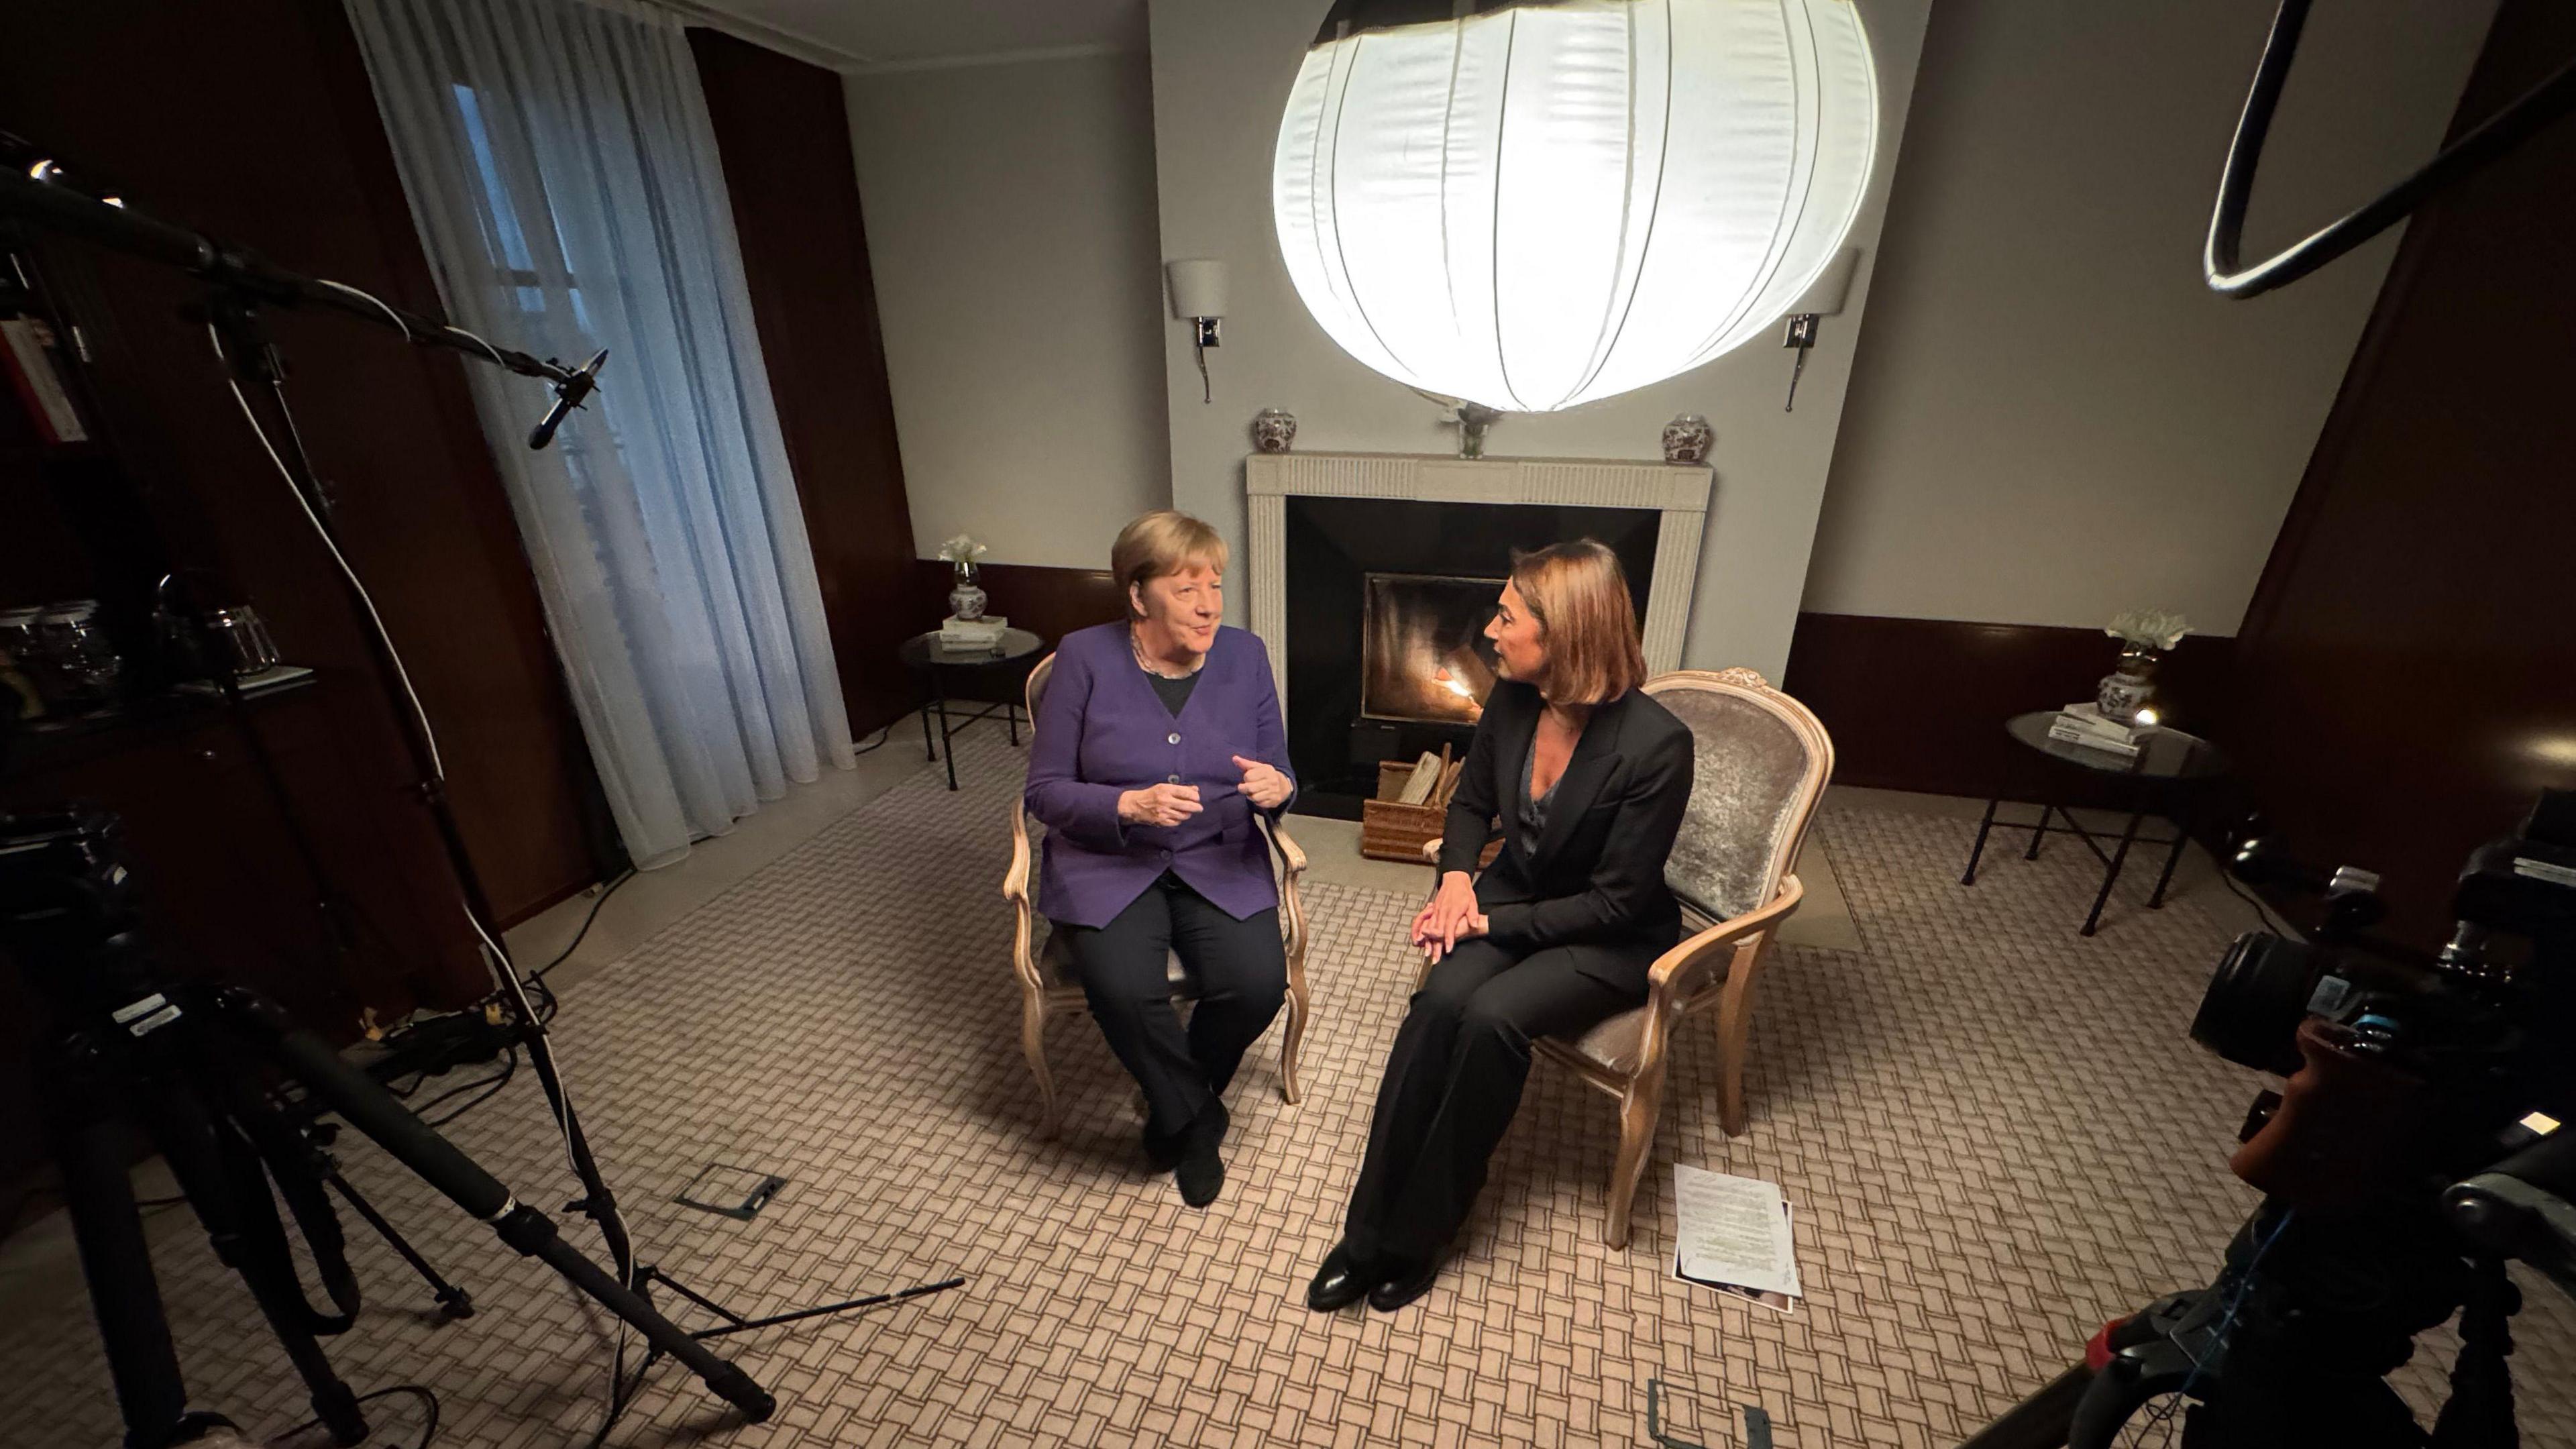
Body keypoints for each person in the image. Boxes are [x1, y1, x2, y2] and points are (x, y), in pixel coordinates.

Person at [1309, 539, 1693, 1312]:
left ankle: (1422, 1234)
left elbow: (1617, 903)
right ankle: (1366, 1229)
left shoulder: (1656, 746)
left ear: (1565, 633)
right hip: (1512, 893)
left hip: (1606, 936)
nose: (1489, 629)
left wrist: (1483, 917)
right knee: (1435, 1008)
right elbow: (1469, 804)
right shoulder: (1513, 699)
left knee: (1490, 1018)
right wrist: (1456, 879)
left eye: (1508, 616)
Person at [1024, 511, 1296, 1207]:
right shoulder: (1084, 657)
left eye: (1215, 586)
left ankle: (1179, 1101)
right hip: (1108, 862)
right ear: (1139, 595)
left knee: (1257, 985)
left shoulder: (1247, 655)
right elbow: (1046, 791)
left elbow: (1281, 772)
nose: (1208, 605)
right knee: (1122, 990)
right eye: (1185, 589)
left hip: (1219, 855)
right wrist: (1127, 807)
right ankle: (1197, 1119)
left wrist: (1280, 787)